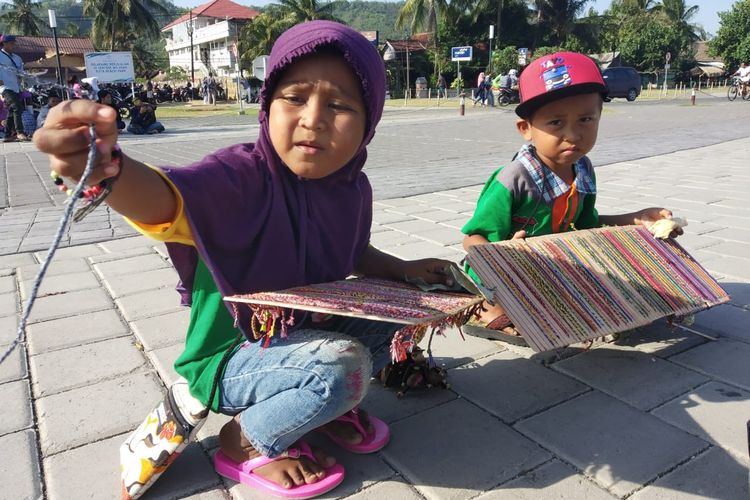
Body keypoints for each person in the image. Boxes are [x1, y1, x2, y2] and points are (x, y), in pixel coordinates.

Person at [34, 20, 453, 498]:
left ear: (369, 122)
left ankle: (322, 405)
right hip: (231, 358)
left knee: (401, 307)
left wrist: (406, 272)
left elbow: (354, 252)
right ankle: (245, 440)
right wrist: (107, 169)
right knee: (344, 367)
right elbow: (167, 199)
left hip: (303, 340)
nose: (313, 119)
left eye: (339, 105)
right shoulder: (238, 176)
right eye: (295, 98)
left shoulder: (352, 188)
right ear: (268, 105)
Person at [461, 52, 681, 340]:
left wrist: (638, 219)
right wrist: (505, 254)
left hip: (554, 263)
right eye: (556, 123)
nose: (573, 134)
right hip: (504, 267)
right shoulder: (513, 178)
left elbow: (588, 228)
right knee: (516, 304)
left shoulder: (584, 171)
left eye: (585, 119)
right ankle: (484, 309)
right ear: (525, 129)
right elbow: (471, 240)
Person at [0, 35, 29, 142]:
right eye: (11, 43)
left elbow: (21, 73)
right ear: (4, 43)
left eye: (14, 43)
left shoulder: (17, 58)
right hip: (3, 87)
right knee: (17, 106)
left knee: (12, 110)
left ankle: (7, 135)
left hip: (15, 87)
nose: (13, 45)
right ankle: (19, 132)